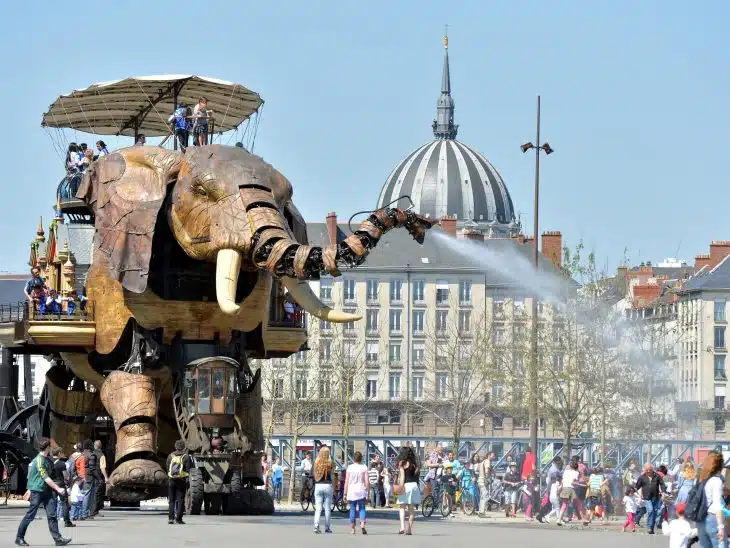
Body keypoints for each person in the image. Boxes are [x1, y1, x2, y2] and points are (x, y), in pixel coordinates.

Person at [15, 437, 71, 546]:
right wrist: (58, 488)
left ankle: (58, 539)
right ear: (48, 447)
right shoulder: (39, 460)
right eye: (50, 446)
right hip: (37, 490)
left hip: (47, 491)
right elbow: (45, 477)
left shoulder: (48, 459)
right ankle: (19, 537)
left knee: (52, 515)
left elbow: (51, 475)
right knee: (30, 515)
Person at [696, 451, 726, 548]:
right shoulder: (716, 480)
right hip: (713, 518)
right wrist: (721, 527)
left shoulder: (701, 479)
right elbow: (717, 505)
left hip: (700, 519)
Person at [166, 439, 194, 525]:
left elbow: (167, 467)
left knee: (171, 500)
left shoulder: (170, 456)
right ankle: (178, 519)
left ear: (175, 446)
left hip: (171, 480)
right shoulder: (186, 456)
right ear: (183, 447)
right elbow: (189, 469)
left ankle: (171, 518)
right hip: (181, 480)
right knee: (181, 499)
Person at [635, 463, 666, 534]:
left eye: (650, 470)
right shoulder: (642, 477)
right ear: (645, 470)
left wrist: (663, 492)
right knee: (651, 510)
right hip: (646, 498)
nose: (648, 471)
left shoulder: (657, 476)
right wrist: (637, 494)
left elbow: (662, 484)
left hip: (655, 497)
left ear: (652, 469)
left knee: (654, 512)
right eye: (647, 470)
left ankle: (651, 528)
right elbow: (637, 486)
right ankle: (649, 527)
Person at [396, 446, 420, 535]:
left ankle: (402, 527)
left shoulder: (402, 463)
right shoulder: (415, 463)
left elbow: (402, 478)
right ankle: (409, 529)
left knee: (402, 507)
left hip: (406, 485)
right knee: (411, 509)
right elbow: (416, 474)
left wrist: (400, 488)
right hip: (414, 486)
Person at [344, 451, 368, 535]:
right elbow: (366, 481)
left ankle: (353, 529)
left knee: (352, 509)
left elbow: (346, 482)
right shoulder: (364, 467)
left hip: (351, 491)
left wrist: (345, 493)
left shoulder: (350, 468)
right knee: (362, 508)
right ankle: (362, 525)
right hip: (361, 490)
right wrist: (367, 491)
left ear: (354, 458)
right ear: (361, 458)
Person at [312, 447, 335, 534]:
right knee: (327, 508)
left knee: (318, 508)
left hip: (318, 485)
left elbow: (314, 474)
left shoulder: (317, 462)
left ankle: (316, 526)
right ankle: (327, 527)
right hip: (328, 484)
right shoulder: (330, 462)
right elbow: (332, 475)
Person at [556, 460, 585, 526]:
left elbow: (563, 481)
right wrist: (581, 485)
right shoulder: (576, 473)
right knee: (578, 503)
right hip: (571, 489)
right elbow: (573, 482)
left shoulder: (565, 472)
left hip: (565, 488)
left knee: (564, 504)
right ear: (576, 467)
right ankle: (583, 519)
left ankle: (559, 519)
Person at [51, 447, 74, 528]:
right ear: (59, 453)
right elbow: (66, 476)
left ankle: (52, 520)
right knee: (64, 502)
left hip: (51, 484)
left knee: (52, 502)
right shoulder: (61, 464)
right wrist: (68, 481)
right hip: (60, 484)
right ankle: (67, 521)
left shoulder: (48, 462)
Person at [80, 439, 101, 520]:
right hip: (89, 477)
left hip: (80, 476)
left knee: (81, 495)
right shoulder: (91, 455)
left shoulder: (81, 454)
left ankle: (80, 513)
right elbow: (92, 468)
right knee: (88, 495)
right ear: (90, 446)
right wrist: (98, 478)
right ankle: (85, 514)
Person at [93, 440, 108, 514]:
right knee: (98, 494)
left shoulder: (92, 454)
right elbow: (102, 467)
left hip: (91, 476)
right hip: (98, 476)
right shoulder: (102, 455)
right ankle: (95, 511)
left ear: (94, 446)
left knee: (92, 493)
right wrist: (106, 477)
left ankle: (91, 511)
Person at [477, 451, 494, 516]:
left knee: (482, 497)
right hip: (483, 480)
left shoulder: (483, 461)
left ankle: (481, 511)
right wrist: (487, 479)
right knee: (485, 496)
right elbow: (487, 470)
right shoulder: (487, 461)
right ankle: (482, 512)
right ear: (489, 455)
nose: (494, 457)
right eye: (493, 455)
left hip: (480, 480)